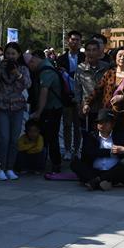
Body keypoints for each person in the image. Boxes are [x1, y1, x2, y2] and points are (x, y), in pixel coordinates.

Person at [0, 42, 32, 180]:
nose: (10, 56)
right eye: (8, 53)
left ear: (19, 54)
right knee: (3, 138)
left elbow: (28, 84)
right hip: (1, 106)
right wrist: (0, 70)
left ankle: (10, 167)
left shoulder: (23, 69)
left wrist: (17, 73)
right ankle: (0, 168)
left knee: (14, 139)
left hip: (17, 107)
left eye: (13, 53)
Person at [73, 109, 124, 190]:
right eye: (99, 122)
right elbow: (88, 152)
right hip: (94, 171)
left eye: (106, 122)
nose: (102, 124)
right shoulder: (91, 136)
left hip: (114, 172)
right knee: (75, 163)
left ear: (112, 124)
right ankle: (105, 182)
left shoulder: (121, 136)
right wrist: (109, 152)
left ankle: (96, 181)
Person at [28, 50, 66, 173]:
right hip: (51, 108)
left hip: (52, 109)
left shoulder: (46, 71)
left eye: (29, 65)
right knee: (46, 136)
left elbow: (44, 93)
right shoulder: (47, 66)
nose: (30, 69)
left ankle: (55, 164)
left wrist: (38, 112)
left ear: (33, 60)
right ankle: (43, 163)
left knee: (51, 137)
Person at [56, 30, 84, 160]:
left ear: (80, 42)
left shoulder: (85, 58)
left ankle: (77, 150)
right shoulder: (60, 59)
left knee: (78, 126)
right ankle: (67, 149)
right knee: (67, 125)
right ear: (68, 41)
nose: (75, 42)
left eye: (77, 40)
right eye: (73, 39)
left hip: (80, 97)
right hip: (66, 97)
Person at [77, 38, 111, 132]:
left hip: (103, 107)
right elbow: (78, 89)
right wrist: (79, 106)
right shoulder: (80, 68)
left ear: (99, 51)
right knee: (88, 137)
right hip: (87, 108)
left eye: (94, 50)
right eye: (88, 50)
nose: (91, 53)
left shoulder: (106, 66)